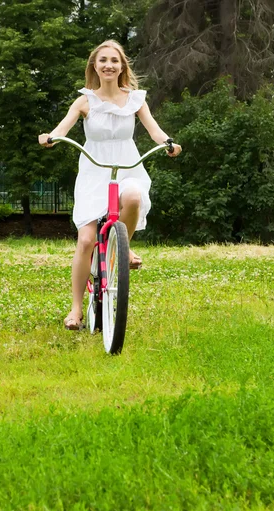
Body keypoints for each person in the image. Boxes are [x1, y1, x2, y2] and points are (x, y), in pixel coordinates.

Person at [39, 39, 182, 330]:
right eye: (103, 60)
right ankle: (76, 309)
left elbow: (154, 130)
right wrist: (50, 136)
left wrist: (168, 142)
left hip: (127, 165)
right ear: (95, 65)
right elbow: (63, 127)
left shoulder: (135, 100)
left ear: (122, 67)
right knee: (86, 240)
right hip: (94, 169)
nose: (108, 65)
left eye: (114, 60)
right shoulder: (85, 101)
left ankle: (123, 247)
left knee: (132, 197)